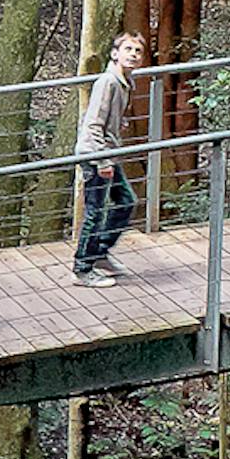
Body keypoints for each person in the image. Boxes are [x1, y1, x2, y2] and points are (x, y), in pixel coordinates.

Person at [72, 30, 145, 285]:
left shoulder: (125, 82)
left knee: (125, 201)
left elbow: (106, 118)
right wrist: (102, 162)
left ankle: (100, 251)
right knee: (95, 211)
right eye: (128, 49)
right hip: (96, 155)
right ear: (115, 54)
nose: (134, 55)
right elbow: (92, 124)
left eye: (138, 51)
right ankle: (83, 268)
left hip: (108, 152)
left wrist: (119, 123)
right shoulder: (108, 82)